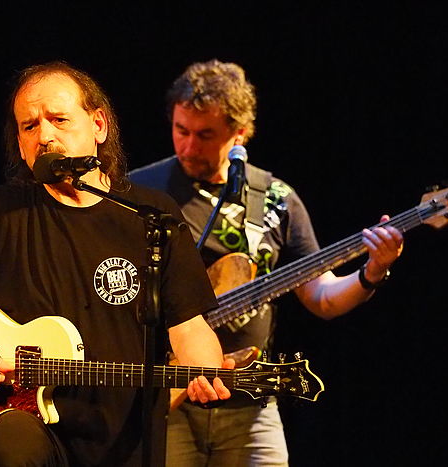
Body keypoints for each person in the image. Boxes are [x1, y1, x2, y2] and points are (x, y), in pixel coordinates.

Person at [0, 61, 234, 466]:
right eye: (29, 126)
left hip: (124, 439)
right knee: (13, 444)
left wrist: (205, 372)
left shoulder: (152, 216)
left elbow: (189, 326)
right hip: (27, 424)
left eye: (59, 119)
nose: (45, 135)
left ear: (98, 125)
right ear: (21, 143)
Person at [128, 59, 404, 466]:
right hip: (167, 399)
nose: (188, 147)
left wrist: (373, 270)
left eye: (205, 135)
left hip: (252, 402)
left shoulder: (275, 199)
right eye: (181, 130)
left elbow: (322, 296)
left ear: (239, 133)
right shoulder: (140, 191)